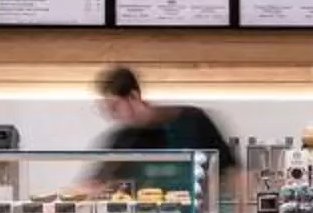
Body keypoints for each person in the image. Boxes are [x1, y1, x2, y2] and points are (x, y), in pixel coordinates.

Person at [91, 65, 236, 193]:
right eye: (108, 109)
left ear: (133, 96)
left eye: (115, 107)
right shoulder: (123, 140)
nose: (112, 115)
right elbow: (96, 184)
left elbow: (234, 173)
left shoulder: (194, 121)